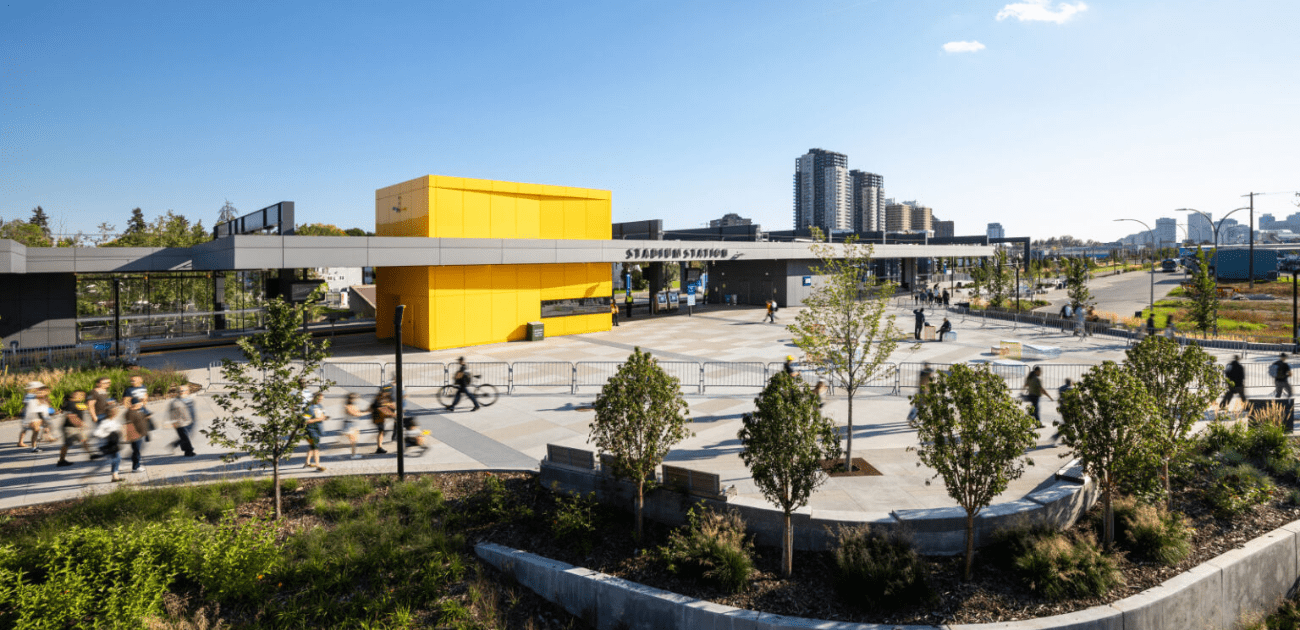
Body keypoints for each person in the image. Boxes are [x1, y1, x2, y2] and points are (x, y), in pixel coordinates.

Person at [56, 389, 92, 466]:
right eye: (81, 395)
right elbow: (71, 416)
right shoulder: (70, 404)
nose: (83, 397)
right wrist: (81, 423)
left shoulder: (77, 403)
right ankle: (61, 461)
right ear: (75, 395)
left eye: (84, 396)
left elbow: (86, 407)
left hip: (76, 427)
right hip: (70, 427)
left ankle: (91, 455)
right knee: (67, 444)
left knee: (84, 440)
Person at [92, 401, 124, 483]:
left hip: (113, 445)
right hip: (105, 445)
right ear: (112, 413)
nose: (117, 413)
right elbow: (96, 433)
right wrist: (107, 435)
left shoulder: (114, 421)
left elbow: (119, 430)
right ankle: (93, 473)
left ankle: (115, 476)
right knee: (113, 459)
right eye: (115, 412)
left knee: (117, 458)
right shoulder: (104, 422)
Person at [17, 382, 51, 450]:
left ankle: (43, 437)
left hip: (32, 413)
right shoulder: (29, 395)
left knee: (29, 428)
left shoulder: (32, 395)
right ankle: (25, 443)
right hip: (29, 414)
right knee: (29, 428)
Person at [167, 385, 197, 457]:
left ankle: (175, 444)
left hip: (191, 420)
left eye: (183, 391)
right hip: (181, 422)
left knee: (186, 436)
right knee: (185, 436)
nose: (181, 392)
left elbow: (192, 410)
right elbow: (172, 413)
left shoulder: (190, 399)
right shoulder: (175, 402)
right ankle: (189, 451)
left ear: (188, 391)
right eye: (179, 391)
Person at [123, 396, 150, 473]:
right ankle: (135, 467)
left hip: (140, 435)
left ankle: (136, 465)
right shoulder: (130, 413)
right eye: (139, 403)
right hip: (135, 436)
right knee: (136, 451)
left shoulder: (139, 411)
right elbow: (129, 426)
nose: (141, 404)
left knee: (137, 451)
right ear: (135, 404)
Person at [302, 391, 327, 471]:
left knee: (312, 446)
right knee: (316, 448)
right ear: (314, 397)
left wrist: (324, 417)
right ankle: (318, 465)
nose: (320, 400)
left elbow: (323, 414)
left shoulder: (319, 405)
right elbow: (306, 421)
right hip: (310, 430)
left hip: (317, 429)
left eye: (321, 399)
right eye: (319, 399)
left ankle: (307, 462)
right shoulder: (308, 407)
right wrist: (318, 419)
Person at [341, 392, 365, 460]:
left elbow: (358, 412)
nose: (356, 400)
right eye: (355, 398)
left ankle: (354, 454)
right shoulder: (347, 406)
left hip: (353, 424)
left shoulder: (353, 405)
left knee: (354, 441)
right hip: (349, 425)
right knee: (353, 442)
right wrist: (366, 412)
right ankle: (353, 455)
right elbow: (355, 414)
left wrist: (363, 411)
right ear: (350, 399)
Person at [370, 389, 394, 454]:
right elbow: (380, 407)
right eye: (386, 392)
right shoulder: (378, 398)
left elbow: (391, 405)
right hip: (378, 418)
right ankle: (379, 448)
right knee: (381, 432)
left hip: (381, 417)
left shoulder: (385, 397)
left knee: (381, 432)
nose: (387, 394)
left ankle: (379, 447)